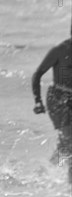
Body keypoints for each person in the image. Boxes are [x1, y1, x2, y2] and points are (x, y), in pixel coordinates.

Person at [32, 26, 72, 180]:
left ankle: (44, 174)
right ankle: (69, 187)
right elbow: (37, 74)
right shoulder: (60, 50)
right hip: (58, 98)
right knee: (69, 139)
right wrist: (38, 101)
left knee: (65, 144)